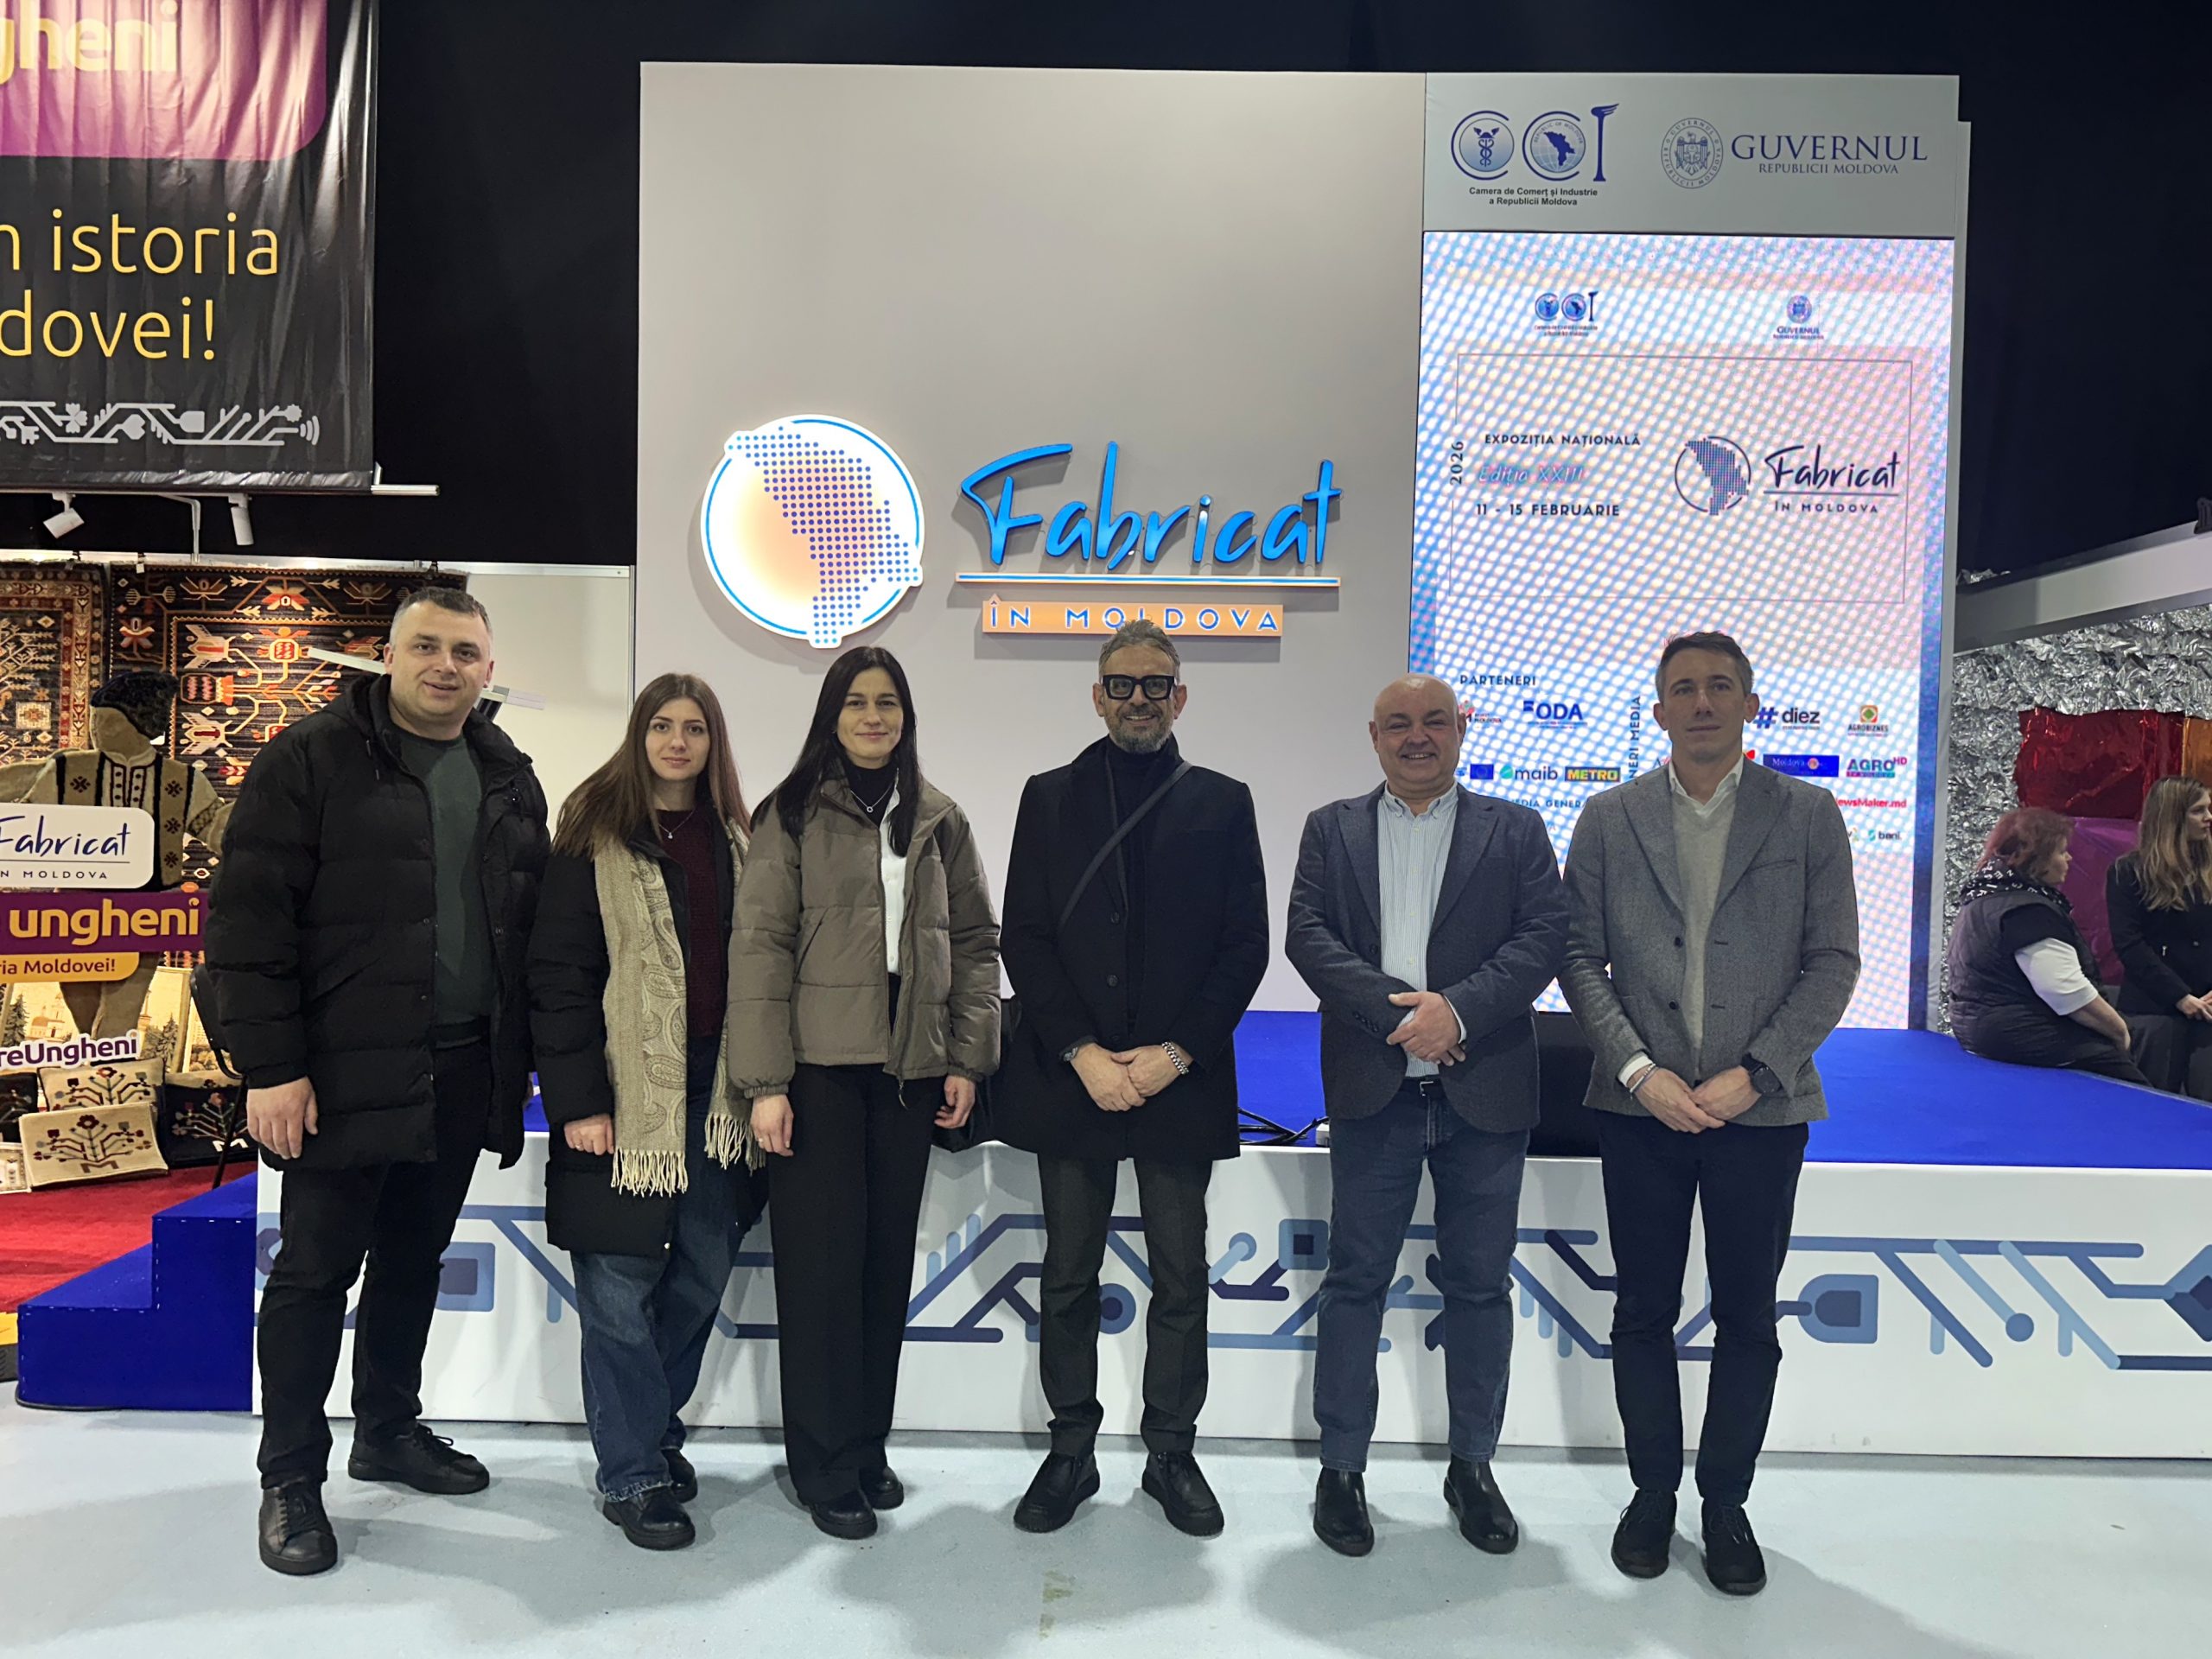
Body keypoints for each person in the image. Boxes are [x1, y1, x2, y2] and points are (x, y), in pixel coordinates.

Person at [205, 587, 549, 1577]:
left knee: (412, 1261)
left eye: (465, 652)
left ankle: (388, 1430)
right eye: (426, 646)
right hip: (339, 1071)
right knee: (314, 1275)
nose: (446, 666)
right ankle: (290, 1479)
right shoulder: (309, 759)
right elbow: (247, 924)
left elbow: (523, 928)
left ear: (489, 669)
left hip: (462, 1066)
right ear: (386, 656)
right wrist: (272, 1067)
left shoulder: (507, 774)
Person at [1559, 631, 1859, 1598]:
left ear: (1749, 703)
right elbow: (1578, 959)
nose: (1700, 702)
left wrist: (1758, 1073)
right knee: (1641, 1311)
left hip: (1759, 1113)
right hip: (1639, 1107)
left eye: (1719, 686)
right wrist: (1639, 1070)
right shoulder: (1609, 817)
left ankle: (1725, 1503)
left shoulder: (1807, 814)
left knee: (1748, 1318)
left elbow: (1833, 961)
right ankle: (1651, 1494)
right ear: (1656, 711)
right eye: (1682, 689)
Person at [995, 620, 1269, 1539]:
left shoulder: (1224, 802)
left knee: (1182, 1278)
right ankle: (1070, 1451)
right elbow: (1025, 937)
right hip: (1072, 1079)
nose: (1139, 699)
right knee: (1067, 1275)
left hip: (1178, 1082)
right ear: (1097, 695)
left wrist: (1173, 1055)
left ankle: (1171, 1454)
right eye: (1122, 684)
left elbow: (1245, 946)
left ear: (1180, 698)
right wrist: (1079, 1051)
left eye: (1157, 684)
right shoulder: (1047, 797)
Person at [1285, 674, 1567, 1559]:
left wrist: (1460, 1013)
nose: (1417, 737)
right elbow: (1307, 936)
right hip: (1374, 1091)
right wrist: (1405, 1019)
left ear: (1460, 729)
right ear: (1373, 737)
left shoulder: (1516, 829)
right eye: (1399, 724)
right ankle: (1341, 1470)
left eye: (1434, 722)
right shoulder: (1330, 828)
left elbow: (1543, 937)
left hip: (1484, 1092)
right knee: (1355, 1283)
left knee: (1480, 1287)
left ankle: (1472, 1467)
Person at [726, 646, 1000, 1540]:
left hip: (907, 1075)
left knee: (882, 1274)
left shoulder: (940, 818)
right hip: (816, 1074)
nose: (873, 717)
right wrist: (765, 1084)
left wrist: (966, 1059)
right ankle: (822, 1464)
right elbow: (758, 950)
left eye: (888, 702)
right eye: (856, 703)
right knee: (820, 1277)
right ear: (831, 716)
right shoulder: (791, 813)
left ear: (906, 717)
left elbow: (975, 944)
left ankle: (864, 1444)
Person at [528, 674, 758, 1550]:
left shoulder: (739, 842)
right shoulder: (593, 839)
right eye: (661, 725)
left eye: (694, 728)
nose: (676, 742)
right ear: (639, 736)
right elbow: (558, 978)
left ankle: (653, 1430)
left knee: (699, 1278)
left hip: (719, 1093)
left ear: (712, 743)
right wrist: (579, 1101)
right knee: (618, 1292)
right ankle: (632, 1474)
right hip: (625, 1094)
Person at [1949, 806, 2145, 1083]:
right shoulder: (2029, 911)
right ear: (2036, 859)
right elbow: (2065, 991)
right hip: (2019, 1034)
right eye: (2061, 852)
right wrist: (2119, 1031)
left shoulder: (1982, 898)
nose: (2069, 858)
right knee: (2135, 1087)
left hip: (1977, 1029)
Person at [2107, 776, 2212, 1100]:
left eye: (2209, 809)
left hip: (2208, 1010)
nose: (2209, 818)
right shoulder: (2128, 872)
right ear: (2173, 817)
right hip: (2154, 1010)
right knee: (2152, 1103)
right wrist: (2179, 996)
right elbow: (2130, 945)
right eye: (2198, 811)